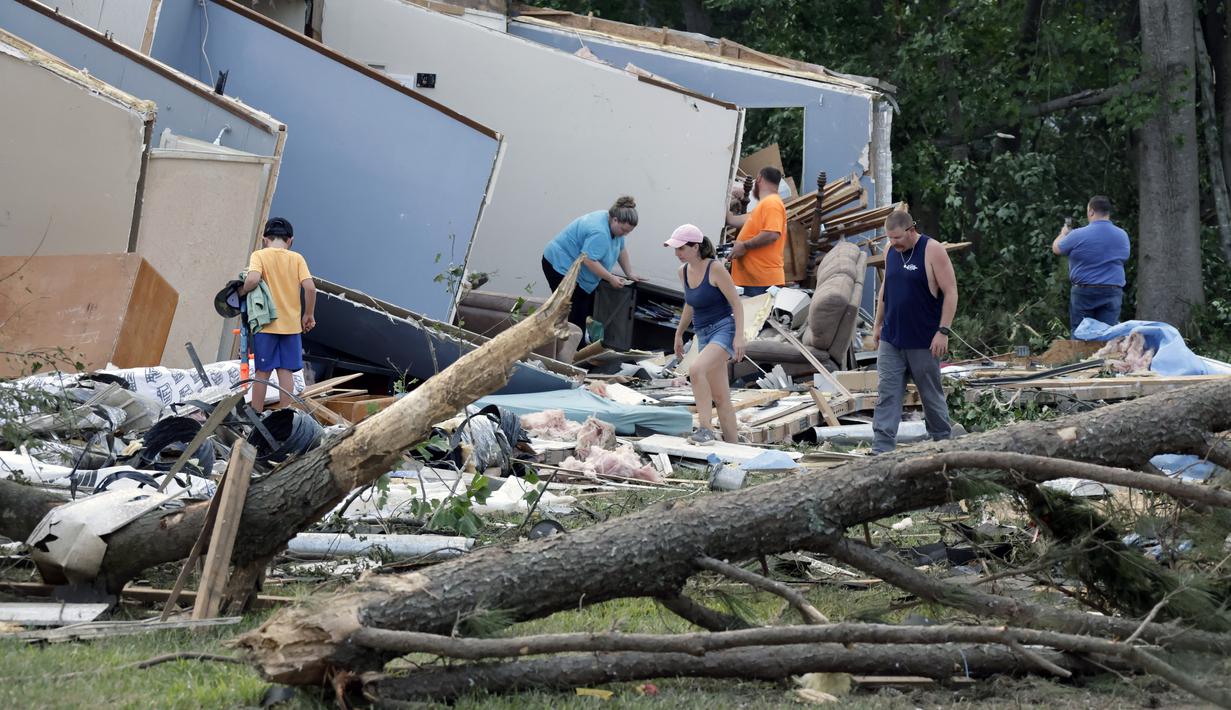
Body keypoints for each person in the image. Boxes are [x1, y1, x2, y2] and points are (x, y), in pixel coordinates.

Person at [871, 211, 958, 454]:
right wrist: (878, 325)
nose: (893, 242)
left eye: (897, 237)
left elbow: (951, 292)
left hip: (924, 340)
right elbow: (885, 289)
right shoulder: (891, 250)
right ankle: (881, 450)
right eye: (890, 237)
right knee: (887, 393)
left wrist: (943, 331)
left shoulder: (932, 250)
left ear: (911, 230)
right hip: (892, 338)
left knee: (930, 396)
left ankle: (943, 445)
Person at [668, 224, 745, 444]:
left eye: (681, 249)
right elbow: (690, 304)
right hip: (703, 334)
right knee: (721, 398)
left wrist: (739, 336)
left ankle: (705, 429)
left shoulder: (715, 268)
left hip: (723, 329)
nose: (677, 254)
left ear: (695, 247)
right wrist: (679, 333)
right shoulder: (683, 272)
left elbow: (736, 304)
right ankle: (734, 448)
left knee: (696, 369)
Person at [239, 217, 316, 413]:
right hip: (291, 326)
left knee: (262, 373)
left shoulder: (260, 255)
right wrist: (308, 315)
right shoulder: (297, 258)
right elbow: (310, 288)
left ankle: (255, 416)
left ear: (265, 238)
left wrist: (242, 291)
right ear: (290, 240)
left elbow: (253, 279)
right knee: (286, 371)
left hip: (267, 325)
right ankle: (286, 415)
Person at [541, 196, 642, 332]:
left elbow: (621, 249)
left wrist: (629, 273)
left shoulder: (612, 222)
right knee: (573, 316)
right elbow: (588, 260)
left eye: (628, 232)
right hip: (559, 265)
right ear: (615, 220)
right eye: (624, 230)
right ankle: (570, 347)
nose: (625, 234)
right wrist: (610, 278)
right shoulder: (599, 232)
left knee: (582, 312)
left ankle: (574, 344)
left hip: (580, 273)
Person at [1051, 195, 1131, 332]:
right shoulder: (1122, 235)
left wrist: (1063, 233)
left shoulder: (1077, 234)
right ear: (1108, 213)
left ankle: (1080, 354)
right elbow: (1124, 257)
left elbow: (1057, 249)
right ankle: (1105, 353)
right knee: (1107, 335)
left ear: (1091, 212)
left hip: (1084, 291)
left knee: (1082, 334)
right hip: (1112, 291)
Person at [726, 167, 787, 296]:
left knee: (755, 315)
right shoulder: (765, 204)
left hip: (760, 281)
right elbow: (734, 220)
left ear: (758, 179)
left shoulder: (772, 203)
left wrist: (744, 245)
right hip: (754, 280)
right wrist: (729, 205)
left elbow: (772, 234)